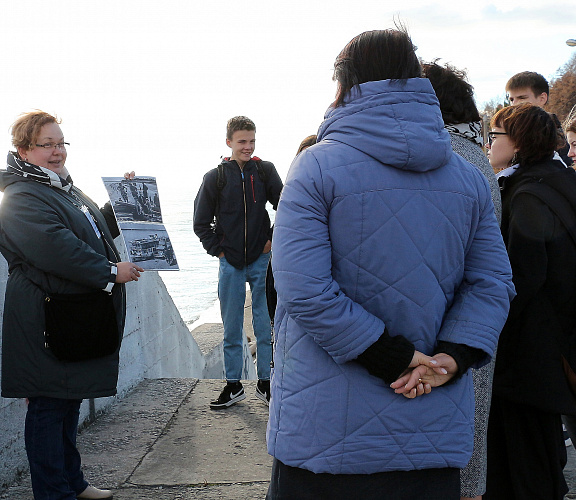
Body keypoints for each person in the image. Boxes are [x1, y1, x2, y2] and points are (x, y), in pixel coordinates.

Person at [266, 28, 515, 500]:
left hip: (324, 441)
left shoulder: (316, 166)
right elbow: (493, 283)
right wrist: (453, 357)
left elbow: (303, 288)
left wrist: (390, 355)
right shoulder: (467, 176)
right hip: (433, 429)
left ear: (344, 87)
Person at [0, 111, 144, 500]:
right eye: (46, 145)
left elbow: (91, 231)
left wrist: (121, 203)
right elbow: (55, 248)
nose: (57, 151)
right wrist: (112, 271)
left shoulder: (62, 188)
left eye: (60, 143)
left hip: (71, 316)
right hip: (44, 318)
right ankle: (54, 493)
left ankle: (73, 483)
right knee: (49, 407)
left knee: (67, 401)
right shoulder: (20, 194)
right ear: (24, 149)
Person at [484, 103, 576, 499]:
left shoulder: (526, 195)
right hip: (560, 344)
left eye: (495, 137)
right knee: (545, 453)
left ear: (517, 142)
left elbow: (523, 276)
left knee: (524, 463)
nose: (488, 145)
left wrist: (485, 325)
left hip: (528, 354)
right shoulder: (562, 182)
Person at [422, 60, 502, 500]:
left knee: (453, 459)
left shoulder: (451, 162)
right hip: (471, 337)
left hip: (443, 344)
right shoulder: (477, 160)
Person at [193, 116, 283, 409]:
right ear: (229, 142)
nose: (247, 147)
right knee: (232, 328)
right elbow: (201, 223)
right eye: (242, 141)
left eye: (252, 141)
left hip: (261, 261)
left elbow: (287, 206)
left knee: (264, 326)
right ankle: (233, 386)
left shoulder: (265, 171)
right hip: (230, 263)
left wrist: (270, 239)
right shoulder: (215, 177)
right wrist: (218, 251)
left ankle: (265, 384)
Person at [506, 71, 572, 166]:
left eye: (522, 98)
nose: (514, 104)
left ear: (542, 98)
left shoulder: (561, 138)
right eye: (511, 99)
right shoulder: (507, 132)